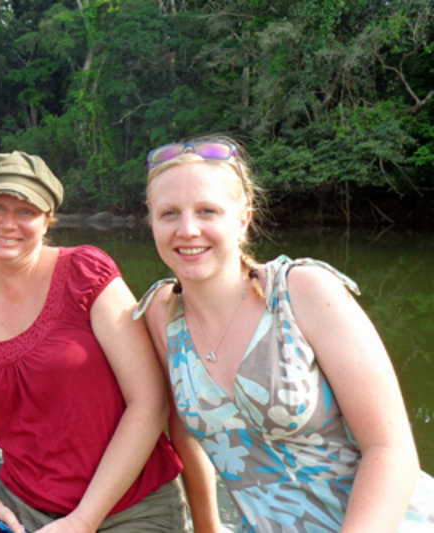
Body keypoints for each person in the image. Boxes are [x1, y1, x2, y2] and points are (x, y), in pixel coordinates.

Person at [134, 137, 434, 532]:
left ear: (242, 219)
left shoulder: (303, 292)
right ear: (152, 222)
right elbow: (181, 430)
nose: (188, 230)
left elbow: (390, 451)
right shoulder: (160, 314)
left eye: (207, 210)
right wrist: (207, 526)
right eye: (169, 213)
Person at [0, 151, 189, 533]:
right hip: (21, 511)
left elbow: (150, 402)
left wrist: (82, 521)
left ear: (47, 219)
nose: (8, 223)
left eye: (26, 212)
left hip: (131, 509)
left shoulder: (84, 274)